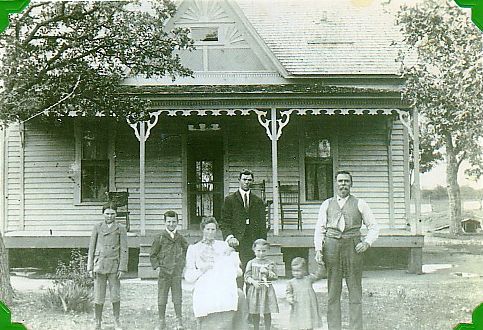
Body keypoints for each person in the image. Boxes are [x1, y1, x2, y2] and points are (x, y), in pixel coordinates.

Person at [314, 170, 379, 330]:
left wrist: (367, 243)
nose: (343, 184)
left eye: (346, 181)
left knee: (355, 290)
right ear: (336, 183)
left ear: (351, 184)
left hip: (353, 248)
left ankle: (356, 327)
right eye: (340, 181)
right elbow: (319, 229)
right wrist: (318, 249)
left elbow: (374, 227)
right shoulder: (327, 204)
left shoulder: (360, 203)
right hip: (332, 248)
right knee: (333, 292)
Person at [184, 217, 248, 330]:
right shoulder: (194, 249)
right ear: (202, 229)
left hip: (223, 280)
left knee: (238, 295)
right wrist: (202, 270)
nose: (210, 232)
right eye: (207, 229)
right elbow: (188, 275)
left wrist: (229, 265)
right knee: (210, 296)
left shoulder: (223, 246)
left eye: (213, 229)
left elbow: (238, 269)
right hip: (205, 281)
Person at [220, 169, 267, 284]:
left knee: (252, 274)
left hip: (252, 242)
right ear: (239, 180)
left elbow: (262, 224)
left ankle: (252, 300)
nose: (247, 182)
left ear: (252, 181)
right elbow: (224, 222)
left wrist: (262, 242)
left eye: (249, 180)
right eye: (244, 179)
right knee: (237, 275)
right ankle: (238, 300)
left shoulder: (258, 201)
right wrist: (230, 237)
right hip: (237, 242)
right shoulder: (230, 200)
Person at [87, 203, 128, 330]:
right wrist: (90, 267)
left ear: (116, 214)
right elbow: (91, 248)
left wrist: (122, 267)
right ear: (103, 214)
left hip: (114, 266)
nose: (110, 216)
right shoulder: (97, 227)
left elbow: (124, 249)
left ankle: (116, 321)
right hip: (99, 265)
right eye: (107, 213)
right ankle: (97, 322)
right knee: (99, 295)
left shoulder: (120, 228)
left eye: (112, 214)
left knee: (115, 294)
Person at [149, 210, 188, 330]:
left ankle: (179, 320)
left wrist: (181, 264)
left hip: (176, 272)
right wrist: (158, 266)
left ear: (178, 222)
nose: (171, 224)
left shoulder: (180, 238)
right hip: (164, 273)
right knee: (162, 296)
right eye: (169, 222)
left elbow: (188, 251)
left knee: (177, 296)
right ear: (164, 222)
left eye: (174, 222)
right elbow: (153, 255)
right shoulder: (160, 237)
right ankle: (161, 320)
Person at [244, 239, 279, 330]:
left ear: (267, 250)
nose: (261, 253)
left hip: (267, 289)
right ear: (254, 250)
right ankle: (256, 327)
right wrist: (253, 282)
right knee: (255, 311)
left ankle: (268, 328)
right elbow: (246, 276)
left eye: (264, 251)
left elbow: (275, 277)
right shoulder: (251, 263)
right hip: (255, 289)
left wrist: (268, 273)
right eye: (258, 251)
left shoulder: (270, 263)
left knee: (267, 311)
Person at [285, 257, 325, 330]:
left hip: (309, 304)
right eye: (294, 271)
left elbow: (318, 275)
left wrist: (321, 265)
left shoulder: (308, 279)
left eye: (298, 271)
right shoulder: (291, 282)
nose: (296, 273)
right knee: (299, 321)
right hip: (298, 305)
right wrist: (290, 298)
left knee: (309, 319)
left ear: (304, 270)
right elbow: (288, 292)